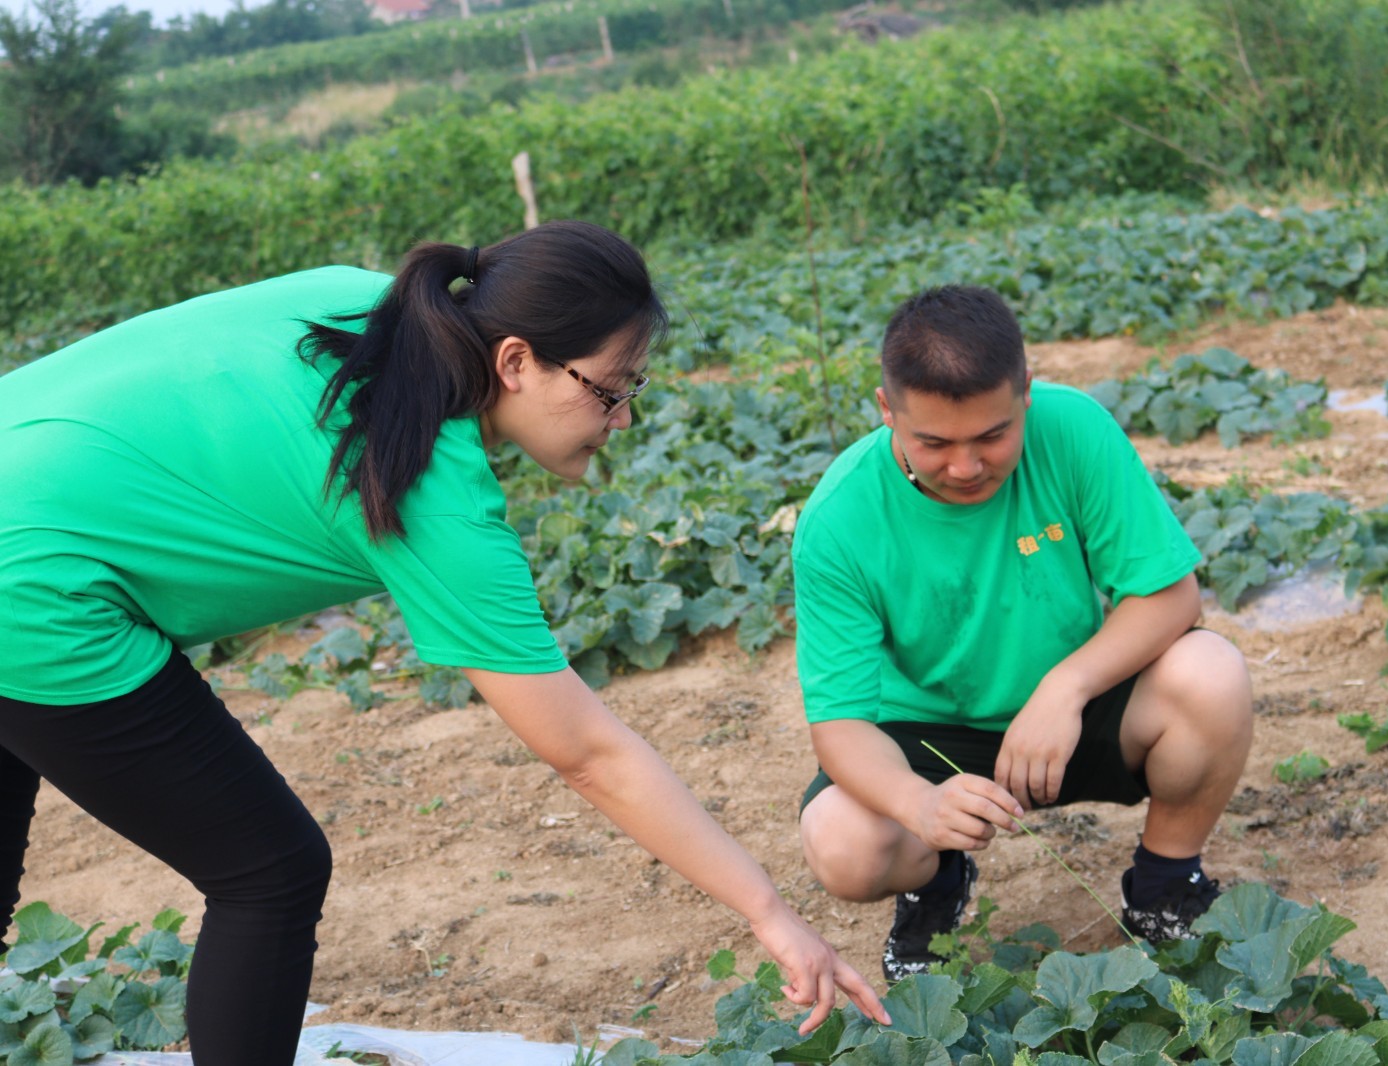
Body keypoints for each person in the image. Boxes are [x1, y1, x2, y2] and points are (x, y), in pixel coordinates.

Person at [0, 220, 888, 1063]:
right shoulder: (428, 489)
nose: (621, 419)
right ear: (516, 361)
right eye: (612, 389)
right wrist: (770, 913)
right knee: (270, 871)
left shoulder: (363, 302)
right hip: (36, 590)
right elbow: (587, 753)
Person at [790, 285, 1254, 981]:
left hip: (1076, 713)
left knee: (1211, 673)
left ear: (1026, 393)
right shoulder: (839, 518)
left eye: (992, 435)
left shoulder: (1073, 431)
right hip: (925, 738)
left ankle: (1165, 888)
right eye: (935, 443)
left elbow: (1169, 595)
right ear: (887, 411)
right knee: (842, 845)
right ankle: (937, 883)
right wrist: (921, 803)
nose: (967, 467)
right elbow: (842, 726)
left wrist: (1065, 688)